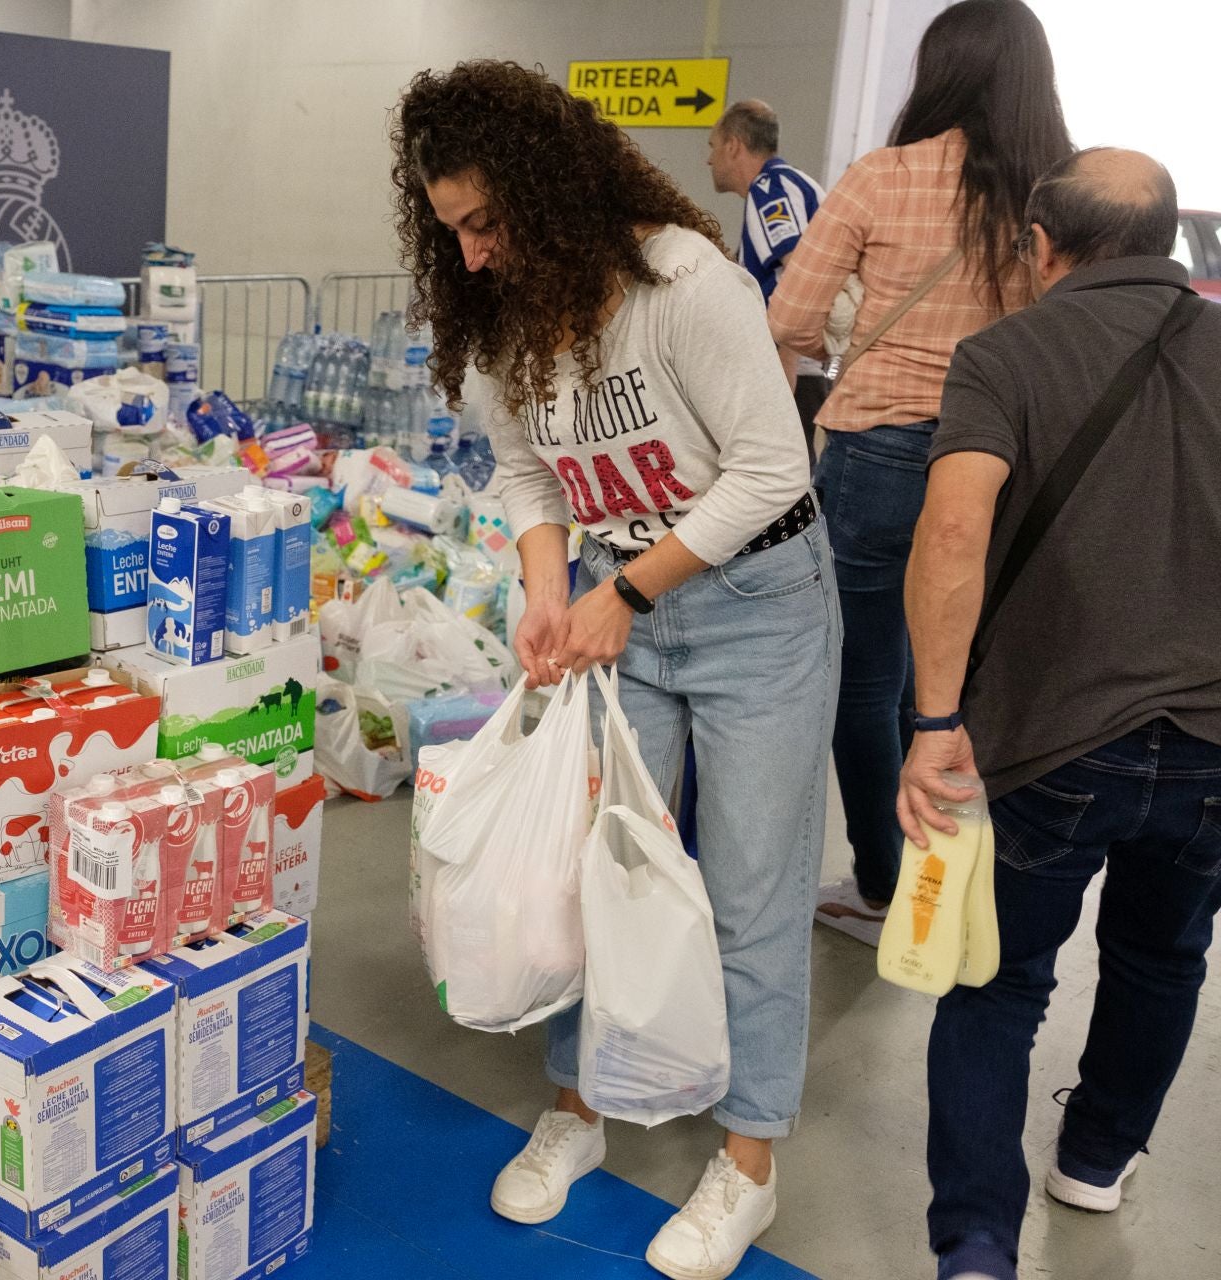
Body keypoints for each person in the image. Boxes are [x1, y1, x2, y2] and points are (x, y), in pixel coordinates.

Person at [393, 61, 840, 1280]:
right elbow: (532, 473)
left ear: (550, 191)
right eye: (452, 233)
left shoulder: (685, 285)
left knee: (749, 893)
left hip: (755, 607)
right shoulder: (500, 320)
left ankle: (748, 1161)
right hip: (613, 595)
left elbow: (770, 473)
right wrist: (550, 589)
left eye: (486, 222)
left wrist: (624, 592)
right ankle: (581, 1107)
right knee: (589, 873)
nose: (473, 256)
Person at [897, 148, 1221, 1280]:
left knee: (996, 981)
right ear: (1170, 239)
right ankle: (1095, 1157)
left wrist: (935, 721)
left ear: (1043, 245)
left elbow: (951, 532)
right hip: (1213, 749)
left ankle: (978, 1246)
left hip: (1046, 735)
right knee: (1162, 957)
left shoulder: (1003, 353)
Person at [766, 0, 1071, 937]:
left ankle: (882, 883)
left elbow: (789, 322)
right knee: (945, 681)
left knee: (865, 680)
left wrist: (851, 345)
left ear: (937, 71)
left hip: (881, 453)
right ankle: (947, 881)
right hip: (1000, 459)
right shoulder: (1050, 195)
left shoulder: (883, 178)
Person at [707, 99, 830, 443]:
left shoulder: (769, 189)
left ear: (733, 146)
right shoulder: (791, 183)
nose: (708, 159)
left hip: (790, 369)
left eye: (713, 146)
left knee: (786, 486)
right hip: (800, 365)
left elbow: (799, 273)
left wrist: (786, 361)